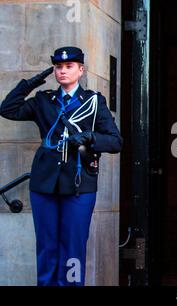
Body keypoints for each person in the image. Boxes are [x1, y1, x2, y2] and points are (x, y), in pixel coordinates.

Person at [0, 47, 122, 286]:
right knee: (46, 245)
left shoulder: (94, 102)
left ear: (81, 70)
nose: (62, 71)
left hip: (79, 184)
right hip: (44, 183)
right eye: (58, 67)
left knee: (73, 245)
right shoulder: (43, 100)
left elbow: (116, 141)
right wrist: (32, 82)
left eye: (69, 66)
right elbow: (7, 109)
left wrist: (90, 137)